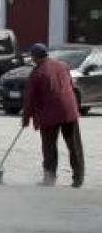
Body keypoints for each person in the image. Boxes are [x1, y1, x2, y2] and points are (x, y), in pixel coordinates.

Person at [22, 43, 84, 188]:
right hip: (69, 110)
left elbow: (29, 99)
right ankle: (78, 178)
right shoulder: (63, 65)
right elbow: (70, 83)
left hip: (49, 113)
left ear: (35, 57)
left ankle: (49, 179)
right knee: (74, 146)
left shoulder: (37, 73)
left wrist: (26, 118)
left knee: (49, 146)